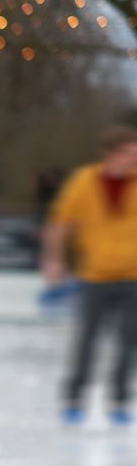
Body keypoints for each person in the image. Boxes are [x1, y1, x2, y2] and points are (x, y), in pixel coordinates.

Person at [42, 125, 137, 427]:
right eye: (127, 154)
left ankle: (119, 399)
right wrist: (54, 259)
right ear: (110, 154)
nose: (133, 160)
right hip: (94, 275)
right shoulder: (84, 181)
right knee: (87, 340)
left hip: (132, 276)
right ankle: (74, 398)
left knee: (128, 341)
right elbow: (60, 222)